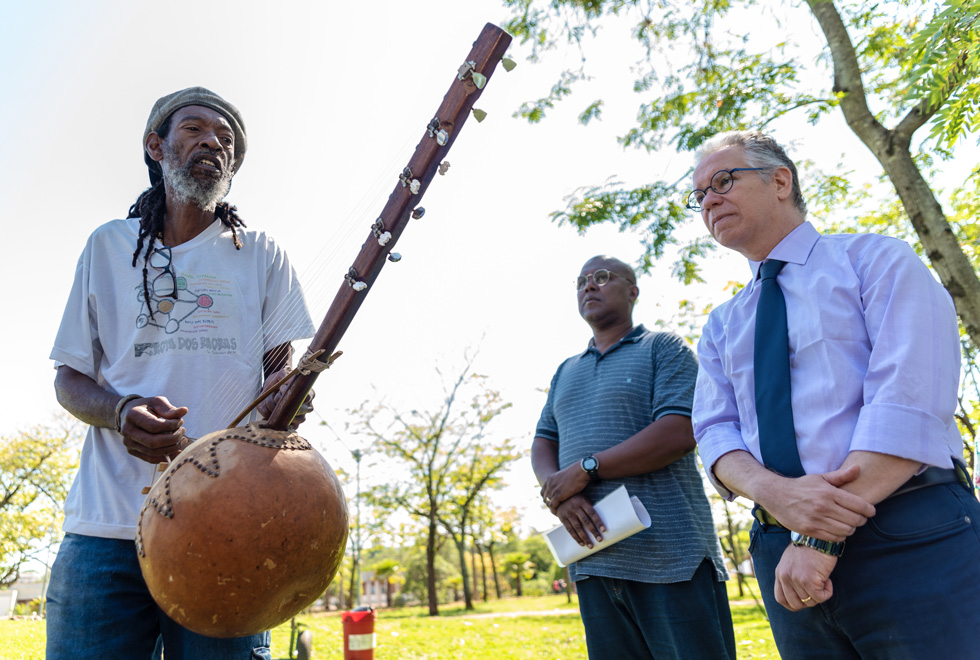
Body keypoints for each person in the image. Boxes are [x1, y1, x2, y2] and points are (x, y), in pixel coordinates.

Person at [47, 87, 316, 660]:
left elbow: (278, 380)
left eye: (226, 141)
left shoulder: (261, 253)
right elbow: (69, 379)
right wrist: (121, 413)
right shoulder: (108, 246)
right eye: (195, 130)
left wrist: (285, 400)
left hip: (227, 528)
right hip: (105, 533)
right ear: (156, 146)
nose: (214, 143)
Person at [690, 130, 980, 658]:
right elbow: (713, 432)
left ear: (781, 180)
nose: (709, 199)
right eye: (700, 195)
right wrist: (779, 499)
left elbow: (906, 402)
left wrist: (818, 537)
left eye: (723, 181)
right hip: (782, 556)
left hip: (906, 533)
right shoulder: (722, 325)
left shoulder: (878, 262)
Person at [532, 255, 736, 660]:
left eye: (602, 277)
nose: (589, 286)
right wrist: (559, 493)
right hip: (594, 559)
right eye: (581, 281)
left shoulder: (664, 348)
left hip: (671, 559)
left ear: (633, 291)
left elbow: (679, 432)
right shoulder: (565, 371)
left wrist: (586, 469)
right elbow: (543, 442)